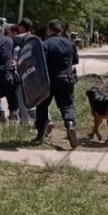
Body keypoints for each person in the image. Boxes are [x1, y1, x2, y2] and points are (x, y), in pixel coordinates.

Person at [34, 19, 80, 148]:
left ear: (49, 30)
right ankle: (70, 124)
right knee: (67, 106)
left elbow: (42, 63)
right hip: (66, 79)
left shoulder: (45, 44)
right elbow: (75, 61)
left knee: (42, 106)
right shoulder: (70, 43)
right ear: (60, 30)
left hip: (48, 80)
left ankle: (40, 134)